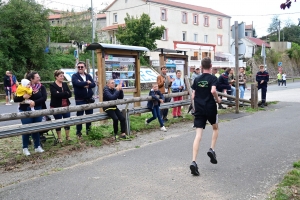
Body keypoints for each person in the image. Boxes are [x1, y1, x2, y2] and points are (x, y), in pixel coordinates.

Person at [189, 57, 222, 176]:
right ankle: (211, 149)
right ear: (211, 66)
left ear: (201, 66)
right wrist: (218, 99)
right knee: (215, 128)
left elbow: (193, 96)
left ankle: (194, 161)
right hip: (210, 107)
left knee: (198, 135)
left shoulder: (197, 79)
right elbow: (213, 91)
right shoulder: (213, 78)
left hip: (199, 108)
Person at [14, 71, 46, 156]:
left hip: (37, 109)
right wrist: (22, 97)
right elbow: (15, 99)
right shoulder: (23, 87)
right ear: (31, 79)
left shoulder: (41, 87)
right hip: (25, 110)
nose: (39, 78)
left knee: (36, 128)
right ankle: (25, 148)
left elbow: (44, 97)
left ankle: (37, 146)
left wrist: (34, 102)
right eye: (37, 77)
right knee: (26, 129)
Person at [72, 61, 96, 139]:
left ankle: (89, 132)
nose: (80, 68)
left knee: (89, 116)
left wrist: (86, 85)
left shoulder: (88, 75)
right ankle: (79, 133)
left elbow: (93, 84)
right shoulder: (74, 76)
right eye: (79, 67)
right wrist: (86, 82)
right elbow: (77, 84)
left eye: (82, 67)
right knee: (80, 116)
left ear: (85, 68)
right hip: (80, 99)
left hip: (89, 99)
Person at [50, 70, 72, 143]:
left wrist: (62, 93)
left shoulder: (65, 84)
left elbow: (70, 94)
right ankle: (59, 138)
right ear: (56, 77)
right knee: (58, 121)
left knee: (67, 121)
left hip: (66, 105)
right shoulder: (52, 85)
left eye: (63, 76)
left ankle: (68, 136)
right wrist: (65, 93)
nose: (62, 77)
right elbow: (55, 95)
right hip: (56, 106)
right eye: (60, 76)